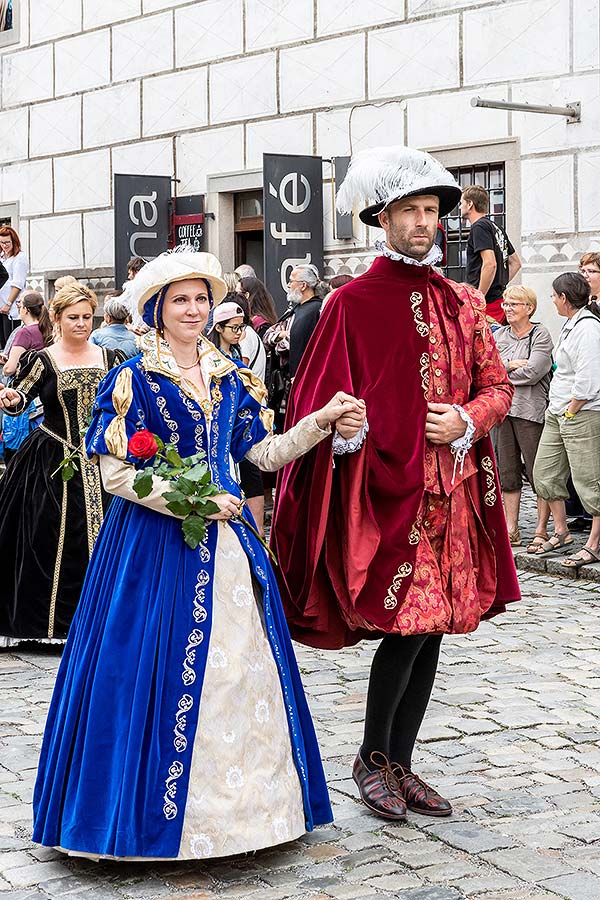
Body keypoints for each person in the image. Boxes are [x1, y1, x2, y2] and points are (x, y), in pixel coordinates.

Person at [32, 250, 365, 860]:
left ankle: (251, 817)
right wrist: (193, 503)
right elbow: (114, 474)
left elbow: (261, 456)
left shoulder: (232, 375)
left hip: (229, 552)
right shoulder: (133, 377)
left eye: (202, 299)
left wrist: (319, 421)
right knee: (145, 673)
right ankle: (148, 822)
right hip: (153, 549)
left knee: (239, 670)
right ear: (158, 309)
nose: (194, 309)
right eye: (181, 299)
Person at [272, 146, 520, 822]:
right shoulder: (350, 303)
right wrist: (353, 430)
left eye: (432, 211)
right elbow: (317, 401)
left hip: (455, 494)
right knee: (407, 626)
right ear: (382, 219)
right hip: (389, 493)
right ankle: (372, 758)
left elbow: (497, 388)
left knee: (433, 629)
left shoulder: (466, 302)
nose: (423, 221)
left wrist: (467, 417)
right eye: (410, 210)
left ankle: (400, 761)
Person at [0, 283, 123, 644]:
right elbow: (21, 399)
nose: (83, 323)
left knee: (113, 537)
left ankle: (108, 620)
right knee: (51, 536)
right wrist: (10, 399)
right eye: (74, 317)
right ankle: (54, 625)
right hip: (53, 460)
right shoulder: (44, 360)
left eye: (87, 317)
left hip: (105, 460)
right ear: (56, 318)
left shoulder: (111, 358)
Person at [532, 272, 600, 568]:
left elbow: (589, 379)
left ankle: (595, 543)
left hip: (580, 413)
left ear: (564, 298)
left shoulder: (588, 329)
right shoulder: (570, 325)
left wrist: (572, 409)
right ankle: (561, 532)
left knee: (589, 482)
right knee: (544, 475)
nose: (553, 301)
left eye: (554, 296)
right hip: (558, 412)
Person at [493, 286, 554, 549]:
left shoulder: (540, 334)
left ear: (529, 307)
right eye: (505, 304)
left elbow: (534, 371)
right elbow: (488, 368)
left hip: (530, 411)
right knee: (507, 473)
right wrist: (509, 365)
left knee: (536, 471)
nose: (507, 308)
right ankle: (511, 529)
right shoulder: (499, 334)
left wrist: (502, 369)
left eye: (513, 304)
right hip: (502, 411)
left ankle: (541, 529)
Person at [461, 186, 521, 324]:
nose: (460, 207)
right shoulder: (496, 227)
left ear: (470, 204)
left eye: (462, 202)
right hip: (498, 302)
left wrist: (479, 298)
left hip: (487, 306)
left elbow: (490, 264)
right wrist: (499, 284)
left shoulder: (479, 227)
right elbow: (516, 263)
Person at [0, 225, 29, 345]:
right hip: (1, 305)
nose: (4, 245)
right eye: (1, 242)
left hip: (11, 308)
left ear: (14, 241)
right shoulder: (2, 258)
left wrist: (8, 304)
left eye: (7, 242)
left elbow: (18, 283)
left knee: (10, 342)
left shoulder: (19, 258)